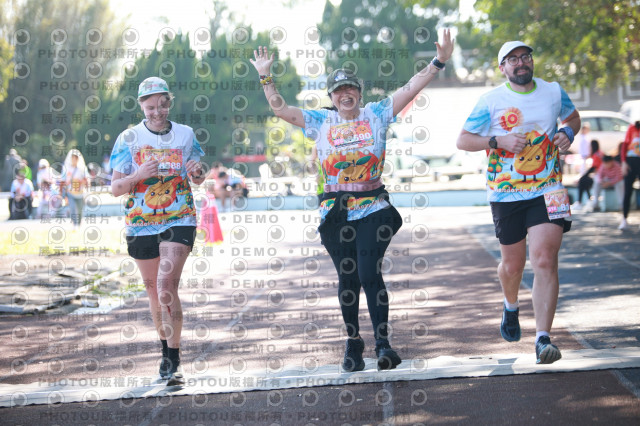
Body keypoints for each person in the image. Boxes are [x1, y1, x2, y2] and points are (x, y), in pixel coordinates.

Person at [250, 30, 453, 371]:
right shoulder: (321, 121)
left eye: (350, 89)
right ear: (332, 97)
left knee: (369, 271)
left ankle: (383, 344)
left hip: (373, 208)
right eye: (338, 90)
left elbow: (411, 87)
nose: (345, 94)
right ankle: (353, 342)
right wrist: (265, 76)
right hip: (336, 213)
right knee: (348, 279)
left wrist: (439, 61)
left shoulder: (377, 113)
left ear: (359, 93)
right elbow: (280, 109)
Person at [457, 41, 581, 364]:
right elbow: (463, 140)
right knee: (513, 266)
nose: (520, 63)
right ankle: (510, 305)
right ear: (503, 68)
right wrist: (498, 140)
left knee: (545, 259)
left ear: (531, 61)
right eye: (512, 60)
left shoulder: (553, 91)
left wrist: (568, 133)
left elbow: (573, 118)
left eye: (525, 57)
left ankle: (543, 339)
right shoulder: (491, 101)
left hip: (549, 188)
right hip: (505, 193)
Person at [109, 76, 205, 385]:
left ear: (169, 102)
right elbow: (116, 188)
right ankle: (165, 352)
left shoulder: (185, 135)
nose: (157, 112)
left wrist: (197, 172)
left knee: (165, 284)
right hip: (141, 222)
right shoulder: (129, 138)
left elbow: (198, 176)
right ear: (141, 106)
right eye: (150, 107)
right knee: (154, 291)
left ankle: (174, 357)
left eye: (162, 105)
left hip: (179, 218)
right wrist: (138, 174)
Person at [619, 121, 640, 230]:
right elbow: (625, 145)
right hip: (630, 162)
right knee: (627, 191)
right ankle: (624, 219)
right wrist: (623, 162)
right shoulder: (632, 128)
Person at [574, 139, 602, 210]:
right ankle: (587, 200)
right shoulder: (599, 153)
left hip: (600, 177)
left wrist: (583, 176)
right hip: (598, 176)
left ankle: (580, 202)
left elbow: (593, 167)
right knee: (584, 181)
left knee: (582, 181)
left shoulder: (596, 155)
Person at [64, 149, 89, 227]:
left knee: (80, 209)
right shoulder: (67, 169)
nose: (74, 159)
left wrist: (81, 182)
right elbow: (64, 181)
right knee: (72, 208)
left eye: (76, 158)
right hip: (70, 192)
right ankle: (74, 224)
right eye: (73, 158)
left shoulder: (82, 169)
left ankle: (79, 224)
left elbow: (86, 180)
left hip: (80, 192)